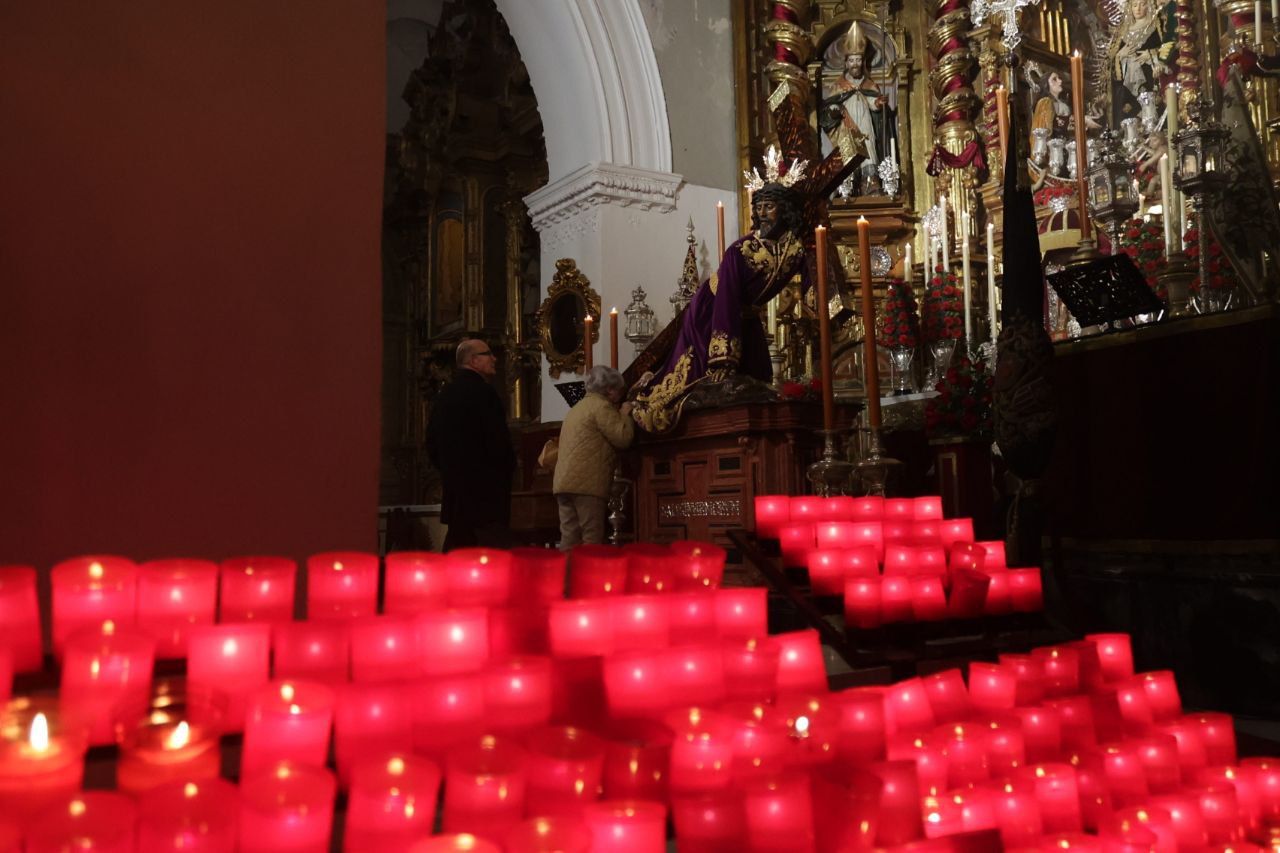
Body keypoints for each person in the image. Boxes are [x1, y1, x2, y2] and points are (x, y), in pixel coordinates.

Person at [630, 181, 808, 433]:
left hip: (746, 313)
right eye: (758, 208)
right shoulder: (740, 250)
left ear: (784, 208)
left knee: (757, 375)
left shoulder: (794, 249)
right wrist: (723, 360)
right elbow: (727, 302)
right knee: (694, 370)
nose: (762, 213)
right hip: (711, 308)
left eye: (769, 207)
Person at [426, 338, 516, 551]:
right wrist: (505, 472)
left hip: (456, 492)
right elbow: (498, 443)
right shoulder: (484, 393)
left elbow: (431, 442)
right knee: (492, 554)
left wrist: (450, 469)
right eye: (488, 354)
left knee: (457, 552)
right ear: (473, 360)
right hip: (485, 494)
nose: (494, 358)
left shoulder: (444, 395)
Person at [552, 365, 635, 548]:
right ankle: (589, 568)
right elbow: (622, 438)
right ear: (610, 390)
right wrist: (625, 414)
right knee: (592, 539)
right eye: (619, 391)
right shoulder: (601, 407)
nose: (620, 395)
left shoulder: (576, 408)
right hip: (587, 485)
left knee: (569, 540)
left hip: (564, 483)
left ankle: (566, 568)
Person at [820, 22, 895, 193]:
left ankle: (870, 182)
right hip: (847, 125)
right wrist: (834, 110)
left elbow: (872, 102)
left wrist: (878, 104)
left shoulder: (869, 84)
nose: (855, 64)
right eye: (852, 60)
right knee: (848, 153)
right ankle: (848, 186)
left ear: (863, 62)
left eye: (858, 60)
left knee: (869, 149)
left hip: (865, 125)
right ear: (846, 63)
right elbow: (830, 106)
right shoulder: (838, 86)